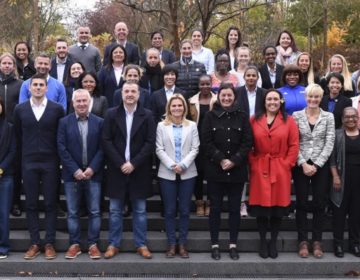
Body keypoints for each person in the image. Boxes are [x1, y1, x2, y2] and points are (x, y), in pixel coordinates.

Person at [102, 81, 156, 259]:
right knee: (115, 210)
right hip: (116, 169)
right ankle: (113, 244)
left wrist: (133, 163)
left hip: (139, 169)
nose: (130, 94)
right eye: (127, 91)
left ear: (139, 94)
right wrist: (120, 163)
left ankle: (141, 244)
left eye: (133, 91)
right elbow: (107, 141)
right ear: (121, 94)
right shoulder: (111, 114)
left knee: (140, 210)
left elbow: (150, 143)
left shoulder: (147, 115)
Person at [14, 74, 65, 260]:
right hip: (28, 162)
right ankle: (35, 242)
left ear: (46, 88)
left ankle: (49, 242)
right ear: (29, 88)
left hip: (51, 162)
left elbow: (61, 136)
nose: (37, 87)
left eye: (40, 85)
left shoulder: (57, 109)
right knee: (31, 203)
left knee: (51, 203)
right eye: (34, 85)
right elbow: (18, 137)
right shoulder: (20, 109)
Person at [202, 83, 252, 260]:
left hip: (237, 171)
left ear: (234, 97)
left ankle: (233, 244)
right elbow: (206, 142)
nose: (226, 98)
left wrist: (234, 160)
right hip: (216, 170)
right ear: (219, 96)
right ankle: (214, 244)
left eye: (229, 95)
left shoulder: (243, 116)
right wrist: (221, 159)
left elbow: (247, 142)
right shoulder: (209, 116)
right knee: (215, 209)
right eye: (223, 95)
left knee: (234, 209)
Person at [249, 89, 299, 259]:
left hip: (280, 168)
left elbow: (294, 145)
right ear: (264, 102)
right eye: (269, 99)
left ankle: (273, 241)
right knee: (261, 208)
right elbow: (248, 144)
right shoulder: (254, 120)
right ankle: (263, 241)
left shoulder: (289, 121)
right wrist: (253, 163)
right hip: (260, 167)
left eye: (276, 99)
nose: (272, 102)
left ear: (281, 102)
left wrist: (287, 164)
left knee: (278, 208)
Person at [57, 89, 104, 259]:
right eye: (79, 101)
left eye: (85, 101)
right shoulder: (64, 122)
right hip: (72, 175)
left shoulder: (99, 122)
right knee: (73, 211)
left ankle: (93, 244)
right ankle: (74, 244)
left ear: (89, 102)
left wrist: (92, 168)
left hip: (94, 174)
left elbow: (102, 148)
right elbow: (61, 148)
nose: (82, 104)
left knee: (94, 211)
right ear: (73, 103)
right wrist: (75, 170)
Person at [292, 84, 335, 259]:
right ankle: (302, 240)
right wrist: (303, 163)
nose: (313, 100)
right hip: (301, 164)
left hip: (320, 165)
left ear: (321, 98)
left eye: (316, 97)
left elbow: (330, 141)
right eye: (310, 97)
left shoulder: (328, 117)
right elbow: (293, 142)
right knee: (301, 202)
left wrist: (316, 164)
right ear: (306, 98)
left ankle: (317, 240)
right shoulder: (296, 116)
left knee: (319, 202)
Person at [156, 94, 199, 258]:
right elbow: (159, 148)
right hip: (167, 173)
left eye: (180, 106)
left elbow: (195, 148)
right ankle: (171, 244)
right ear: (169, 108)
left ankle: (182, 244)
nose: (177, 108)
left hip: (188, 173)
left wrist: (183, 165)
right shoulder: (161, 126)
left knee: (185, 210)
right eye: (173, 106)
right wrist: (171, 165)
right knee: (169, 210)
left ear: (184, 108)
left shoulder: (192, 126)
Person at [330, 107, 360, 258]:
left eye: (354, 116)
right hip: (341, 179)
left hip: (358, 180)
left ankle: (355, 244)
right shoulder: (337, 135)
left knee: (356, 214)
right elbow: (332, 159)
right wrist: (335, 176)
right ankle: (338, 244)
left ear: (357, 118)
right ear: (342, 119)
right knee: (339, 213)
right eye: (347, 117)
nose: (350, 119)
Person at [188, 74, 217, 217]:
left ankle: (211, 202)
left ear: (212, 84)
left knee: (212, 174)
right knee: (198, 174)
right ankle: (199, 202)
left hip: (214, 143)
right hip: (197, 143)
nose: (205, 87)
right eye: (202, 84)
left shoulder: (218, 100)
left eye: (207, 84)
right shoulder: (191, 101)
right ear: (198, 85)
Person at [0, 53, 23, 218]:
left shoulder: (20, 84)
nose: (7, 66)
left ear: (14, 66)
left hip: (15, 130)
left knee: (14, 168)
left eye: (10, 63)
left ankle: (15, 202)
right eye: (4, 63)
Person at [0, 96, 16, 259]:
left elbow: (13, 151)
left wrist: (1, 169)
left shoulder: (9, 127)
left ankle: (3, 247)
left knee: (3, 213)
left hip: (5, 177)